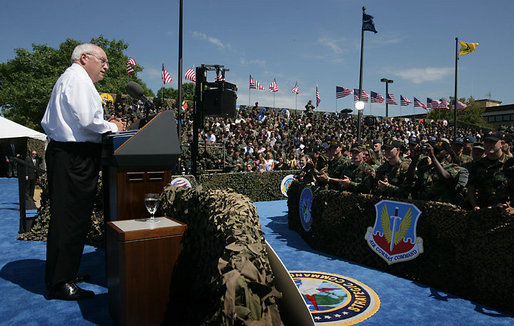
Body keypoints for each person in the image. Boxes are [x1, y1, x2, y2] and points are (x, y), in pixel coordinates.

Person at [41, 43, 125, 301]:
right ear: (84, 58)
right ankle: (60, 282)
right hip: (73, 157)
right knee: (69, 219)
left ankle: (65, 272)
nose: (106, 67)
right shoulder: (77, 79)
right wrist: (112, 126)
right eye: (103, 60)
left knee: (74, 218)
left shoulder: (76, 79)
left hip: (73, 156)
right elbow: (88, 121)